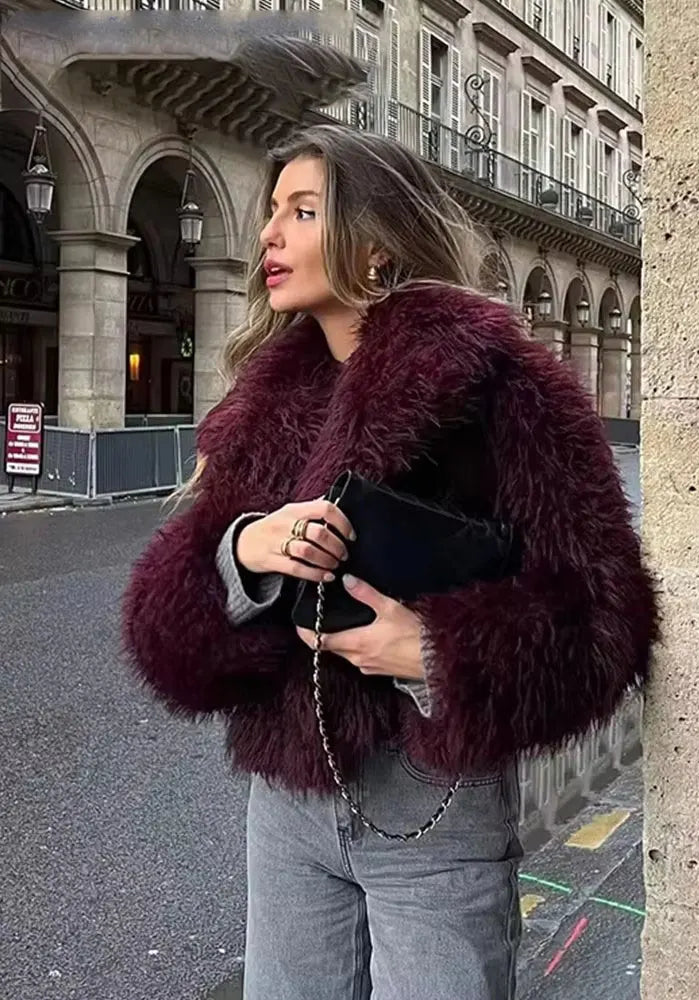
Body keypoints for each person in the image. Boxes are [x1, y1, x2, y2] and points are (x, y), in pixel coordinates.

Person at [122, 123, 658, 1000]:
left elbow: (610, 618)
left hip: (435, 803)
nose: (269, 235)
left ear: (374, 244)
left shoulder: (509, 390)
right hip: (288, 801)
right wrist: (244, 552)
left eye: (302, 212)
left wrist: (441, 652)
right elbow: (165, 627)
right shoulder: (262, 404)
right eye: (272, 211)